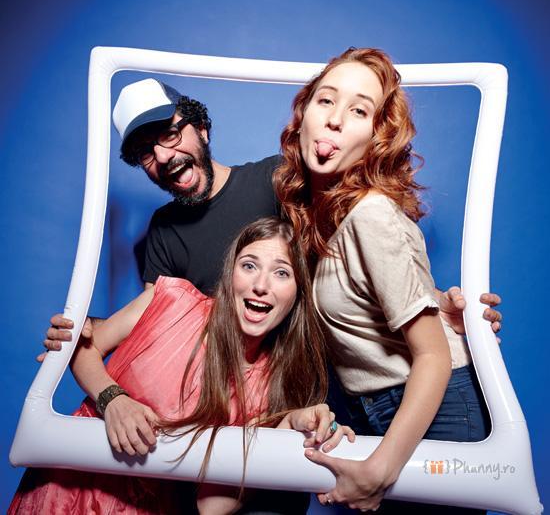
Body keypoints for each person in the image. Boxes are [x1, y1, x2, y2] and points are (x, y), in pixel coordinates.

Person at [40, 78, 502, 357]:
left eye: (170, 134)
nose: (163, 156)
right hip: (243, 396)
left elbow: (362, 239)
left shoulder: (279, 177)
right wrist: (90, 332)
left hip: (331, 375)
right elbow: (156, 316)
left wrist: (434, 306)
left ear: (202, 130)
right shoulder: (163, 228)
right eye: (146, 152)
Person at [10, 217, 355, 515]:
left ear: (297, 293)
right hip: (65, 491)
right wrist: (112, 399)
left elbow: (212, 507)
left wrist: (282, 431)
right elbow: (84, 346)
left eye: (281, 273)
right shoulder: (172, 300)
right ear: (230, 273)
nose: (261, 286)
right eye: (249, 265)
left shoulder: (270, 384)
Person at [274, 47, 494, 513]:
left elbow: (433, 355)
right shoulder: (322, 217)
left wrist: (380, 469)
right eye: (326, 100)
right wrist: (439, 303)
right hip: (379, 410)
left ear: (377, 137)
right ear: (304, 114)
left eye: (359, 111)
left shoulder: (370, 213)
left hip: (435, 410)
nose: (335, 119)